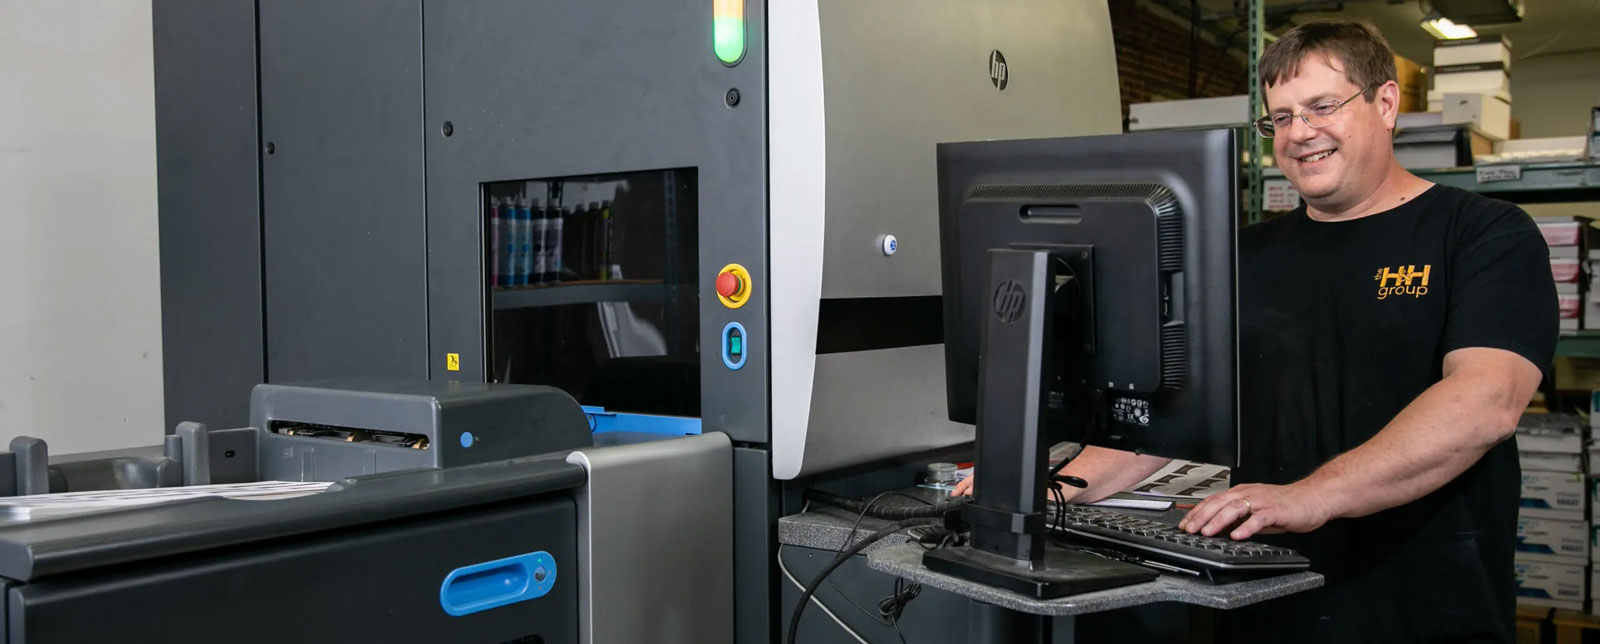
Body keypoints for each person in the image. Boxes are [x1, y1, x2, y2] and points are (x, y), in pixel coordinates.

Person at [955, 19, 1556, 642]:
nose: (1300, 134)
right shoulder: (1240, 258)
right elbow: (1175, 413)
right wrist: (1050, 483)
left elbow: (1486, 402)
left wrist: (1310, 495)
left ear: (1385, 103)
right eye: (1281, 119)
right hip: (1263, 598)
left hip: (1423, 608)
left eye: (1322, 107)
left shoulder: (1485, 234)